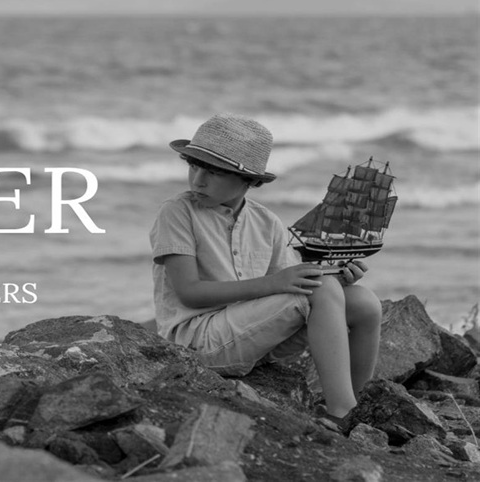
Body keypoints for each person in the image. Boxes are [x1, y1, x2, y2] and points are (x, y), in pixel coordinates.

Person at [149, 113, 382, 425]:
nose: (198, 180)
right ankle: (341, 411)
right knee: (320, 290)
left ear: (249, 180)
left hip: (252, 336)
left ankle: (354, 403)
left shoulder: (266, 222)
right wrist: (280, 283)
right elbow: (189, 293)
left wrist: (338, 277)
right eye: (193, 166)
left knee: (364, 303)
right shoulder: (177, 212)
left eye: (213, 172)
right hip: (197, 341)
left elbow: (294, 289)